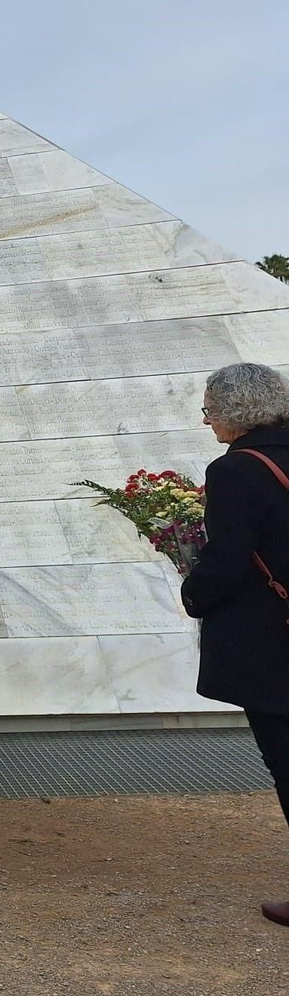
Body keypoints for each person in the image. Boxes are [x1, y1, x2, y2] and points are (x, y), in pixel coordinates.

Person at [181, 362, 289, 927]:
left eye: (208, 410)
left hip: (273, 641)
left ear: (233, 411)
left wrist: (191, 590)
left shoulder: (236, 471)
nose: (207, 422)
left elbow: (226, 563)